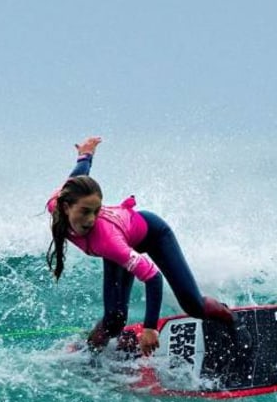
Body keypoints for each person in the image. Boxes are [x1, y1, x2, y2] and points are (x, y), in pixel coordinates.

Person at [46, 135, 236, 356]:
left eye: (96, 211)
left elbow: (153, 276)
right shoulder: (56, 204)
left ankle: (233, 322)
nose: (90, 219)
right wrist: (85, 156)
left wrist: (150, 328)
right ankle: (89, 354)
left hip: (154, 234)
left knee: (194, 306)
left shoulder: (107, 239)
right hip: (124, 238)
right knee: (113, 320)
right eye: (85, 211)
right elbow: (77, 178)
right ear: (66, 207)